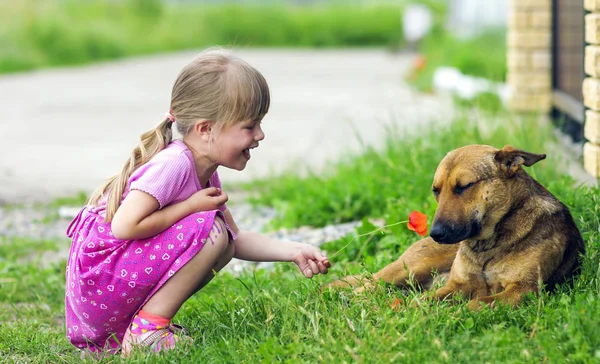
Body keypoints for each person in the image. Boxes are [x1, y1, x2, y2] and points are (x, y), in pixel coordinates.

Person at [64, 48, 331, 357]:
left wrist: (295, 250)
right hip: (101, 285)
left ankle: (138, 328)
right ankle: (147, 332)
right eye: (249, 126)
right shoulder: (174, 164)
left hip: (110, 287)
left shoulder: (203, 169)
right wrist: (191, 207)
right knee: (212, 231)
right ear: (206, 129)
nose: (260, 135)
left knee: (223, 239)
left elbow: (237, 238)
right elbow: (125, 225)